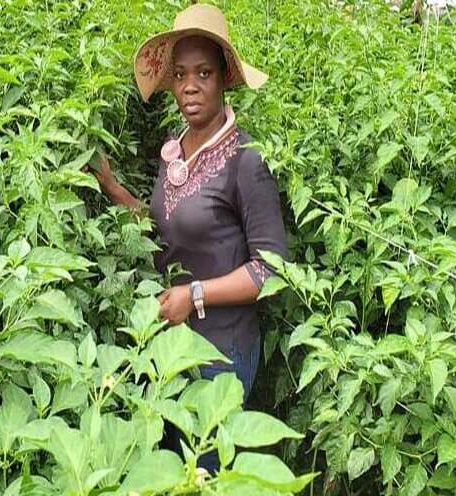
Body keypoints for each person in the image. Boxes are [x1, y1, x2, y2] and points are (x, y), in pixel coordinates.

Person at [92, 3, 288, 471]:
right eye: (180, 75)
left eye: (203, 72)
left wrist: (194, 294)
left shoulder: (246, 160)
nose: (189, 86)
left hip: (223, 352)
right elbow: (169, 226)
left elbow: (271, 268)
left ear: (224, 78)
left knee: (210, 470)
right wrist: (112, 187)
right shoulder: (176, 152)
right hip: (174, 347)